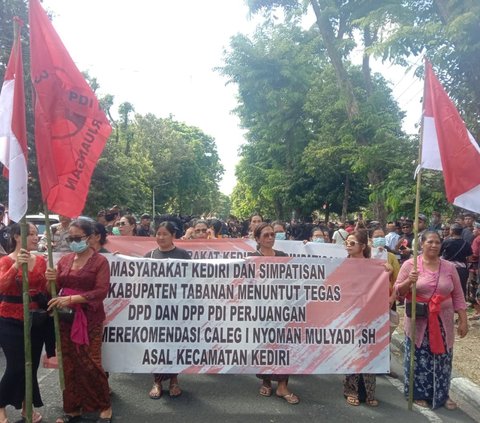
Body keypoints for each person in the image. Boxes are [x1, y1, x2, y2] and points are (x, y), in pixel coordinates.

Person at [46, 219, 112, 423]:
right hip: (65, 318)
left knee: (90, 363)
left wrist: (73, 299)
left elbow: (101, 291)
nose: (74, 241)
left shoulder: (100, 261)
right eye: (71, 238)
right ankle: (72, 407)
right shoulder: (64, 260)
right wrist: (50, 279)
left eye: (78, 238)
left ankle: (104, 405)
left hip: (89, 319)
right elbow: (53, 290)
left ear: (92, 237)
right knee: (68, 363)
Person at [394, 231, 468, 410]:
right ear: (421, 244)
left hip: (443, 320)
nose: (434, 245)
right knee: (419, 358)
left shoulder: (449, 267)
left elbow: (458, 294)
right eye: (430, 242)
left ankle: (441, 394)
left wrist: (463, 319)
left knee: (443, 358)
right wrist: (409, 282)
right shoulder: (410, 265)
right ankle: (418, 393)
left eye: (437, 242)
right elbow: (398, 291)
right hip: (419, 321)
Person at [0, 223, 49, 423]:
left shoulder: (41, 260)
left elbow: (45, 289)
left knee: (31, 366)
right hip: (9, 319)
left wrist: (53, 280)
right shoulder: (5, 260)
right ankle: (1, 406)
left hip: (35, 319)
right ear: (16, 237)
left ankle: (25, 406)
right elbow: (2, 285)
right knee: (16, 366)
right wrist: (15, 266)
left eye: (36, 234)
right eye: (30, 234)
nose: (35, 238)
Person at [248, 223, 299, 404]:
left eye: (272, 235)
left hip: (282, 311)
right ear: (257, 239)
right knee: (265, 346)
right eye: (266, 235)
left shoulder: (283, 257)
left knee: (283, 348)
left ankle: (283, 386)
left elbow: (291, 282)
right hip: (261, 312)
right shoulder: (252, 258)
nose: (270, 238)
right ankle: (266, 380)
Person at [145, 221, 190, 400]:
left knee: (173, 345)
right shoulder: (150, 255)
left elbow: (191, 280)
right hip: (156, 310)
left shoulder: (182, 255)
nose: (161, 237)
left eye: (165, 234)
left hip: (176, 310)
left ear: (173, 236)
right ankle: (157, 381)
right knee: (157, 345)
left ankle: (173, 380)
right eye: (158, 234)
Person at [343, 230, 379, 407]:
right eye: (347, 243)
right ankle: (351, 390)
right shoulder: (341, 265)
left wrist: (385, 270)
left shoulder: (374, 267)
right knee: (353, 351)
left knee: (369, 351)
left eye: (352, 243)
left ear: (363, 246)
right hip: (349, 314)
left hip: (369, 315)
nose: (348, 246)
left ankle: (369, 392)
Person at [440, 223, 472, 297]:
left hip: (447, 267)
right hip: (462, 269)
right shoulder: (466, 244)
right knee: (461, 287)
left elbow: (439, 253)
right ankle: (460, 305)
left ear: (452, 231)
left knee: (446, 287)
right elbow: (470, 258)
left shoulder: (446, 242)